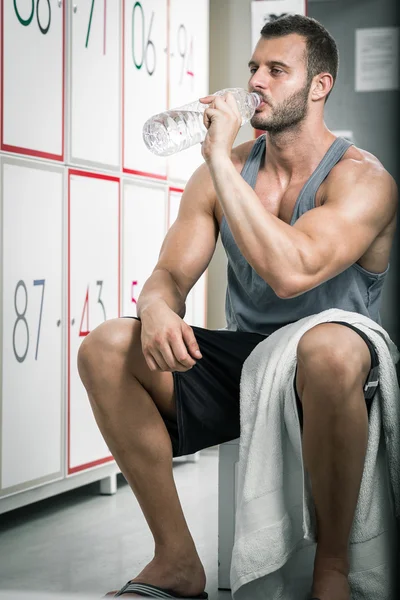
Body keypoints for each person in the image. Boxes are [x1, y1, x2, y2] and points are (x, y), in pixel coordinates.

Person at [77, 14, 398, 600]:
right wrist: (155, 308)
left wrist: (221, 161)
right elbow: (169, 274)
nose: (257, 82)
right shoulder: (220, 174)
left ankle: (332, 570)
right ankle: (176, 562)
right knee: (104, 347)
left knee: (324, 348)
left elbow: (291, 273)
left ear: (319, 86)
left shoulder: (362, 180)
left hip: (336, 356)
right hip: (249, 361)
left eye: (277, 70)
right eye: (254, 67)